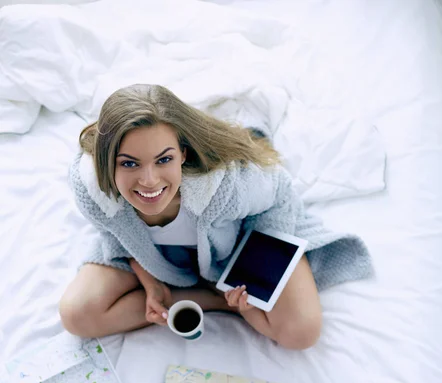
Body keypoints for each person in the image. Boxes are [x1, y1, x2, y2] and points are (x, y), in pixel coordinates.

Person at [59, 84, 372, 349]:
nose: (150, 181)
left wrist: (250, 277)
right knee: (76, 315)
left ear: (182, 153)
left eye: (163, 159)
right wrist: (150, 283)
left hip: (236, 243)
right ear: (105, 163)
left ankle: (217, 293)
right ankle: (215, 299)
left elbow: (278, 193)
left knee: (300, 332)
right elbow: (114, 235)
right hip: (157, 257)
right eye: (129, 164)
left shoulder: (226, 186)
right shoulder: (93, 190)